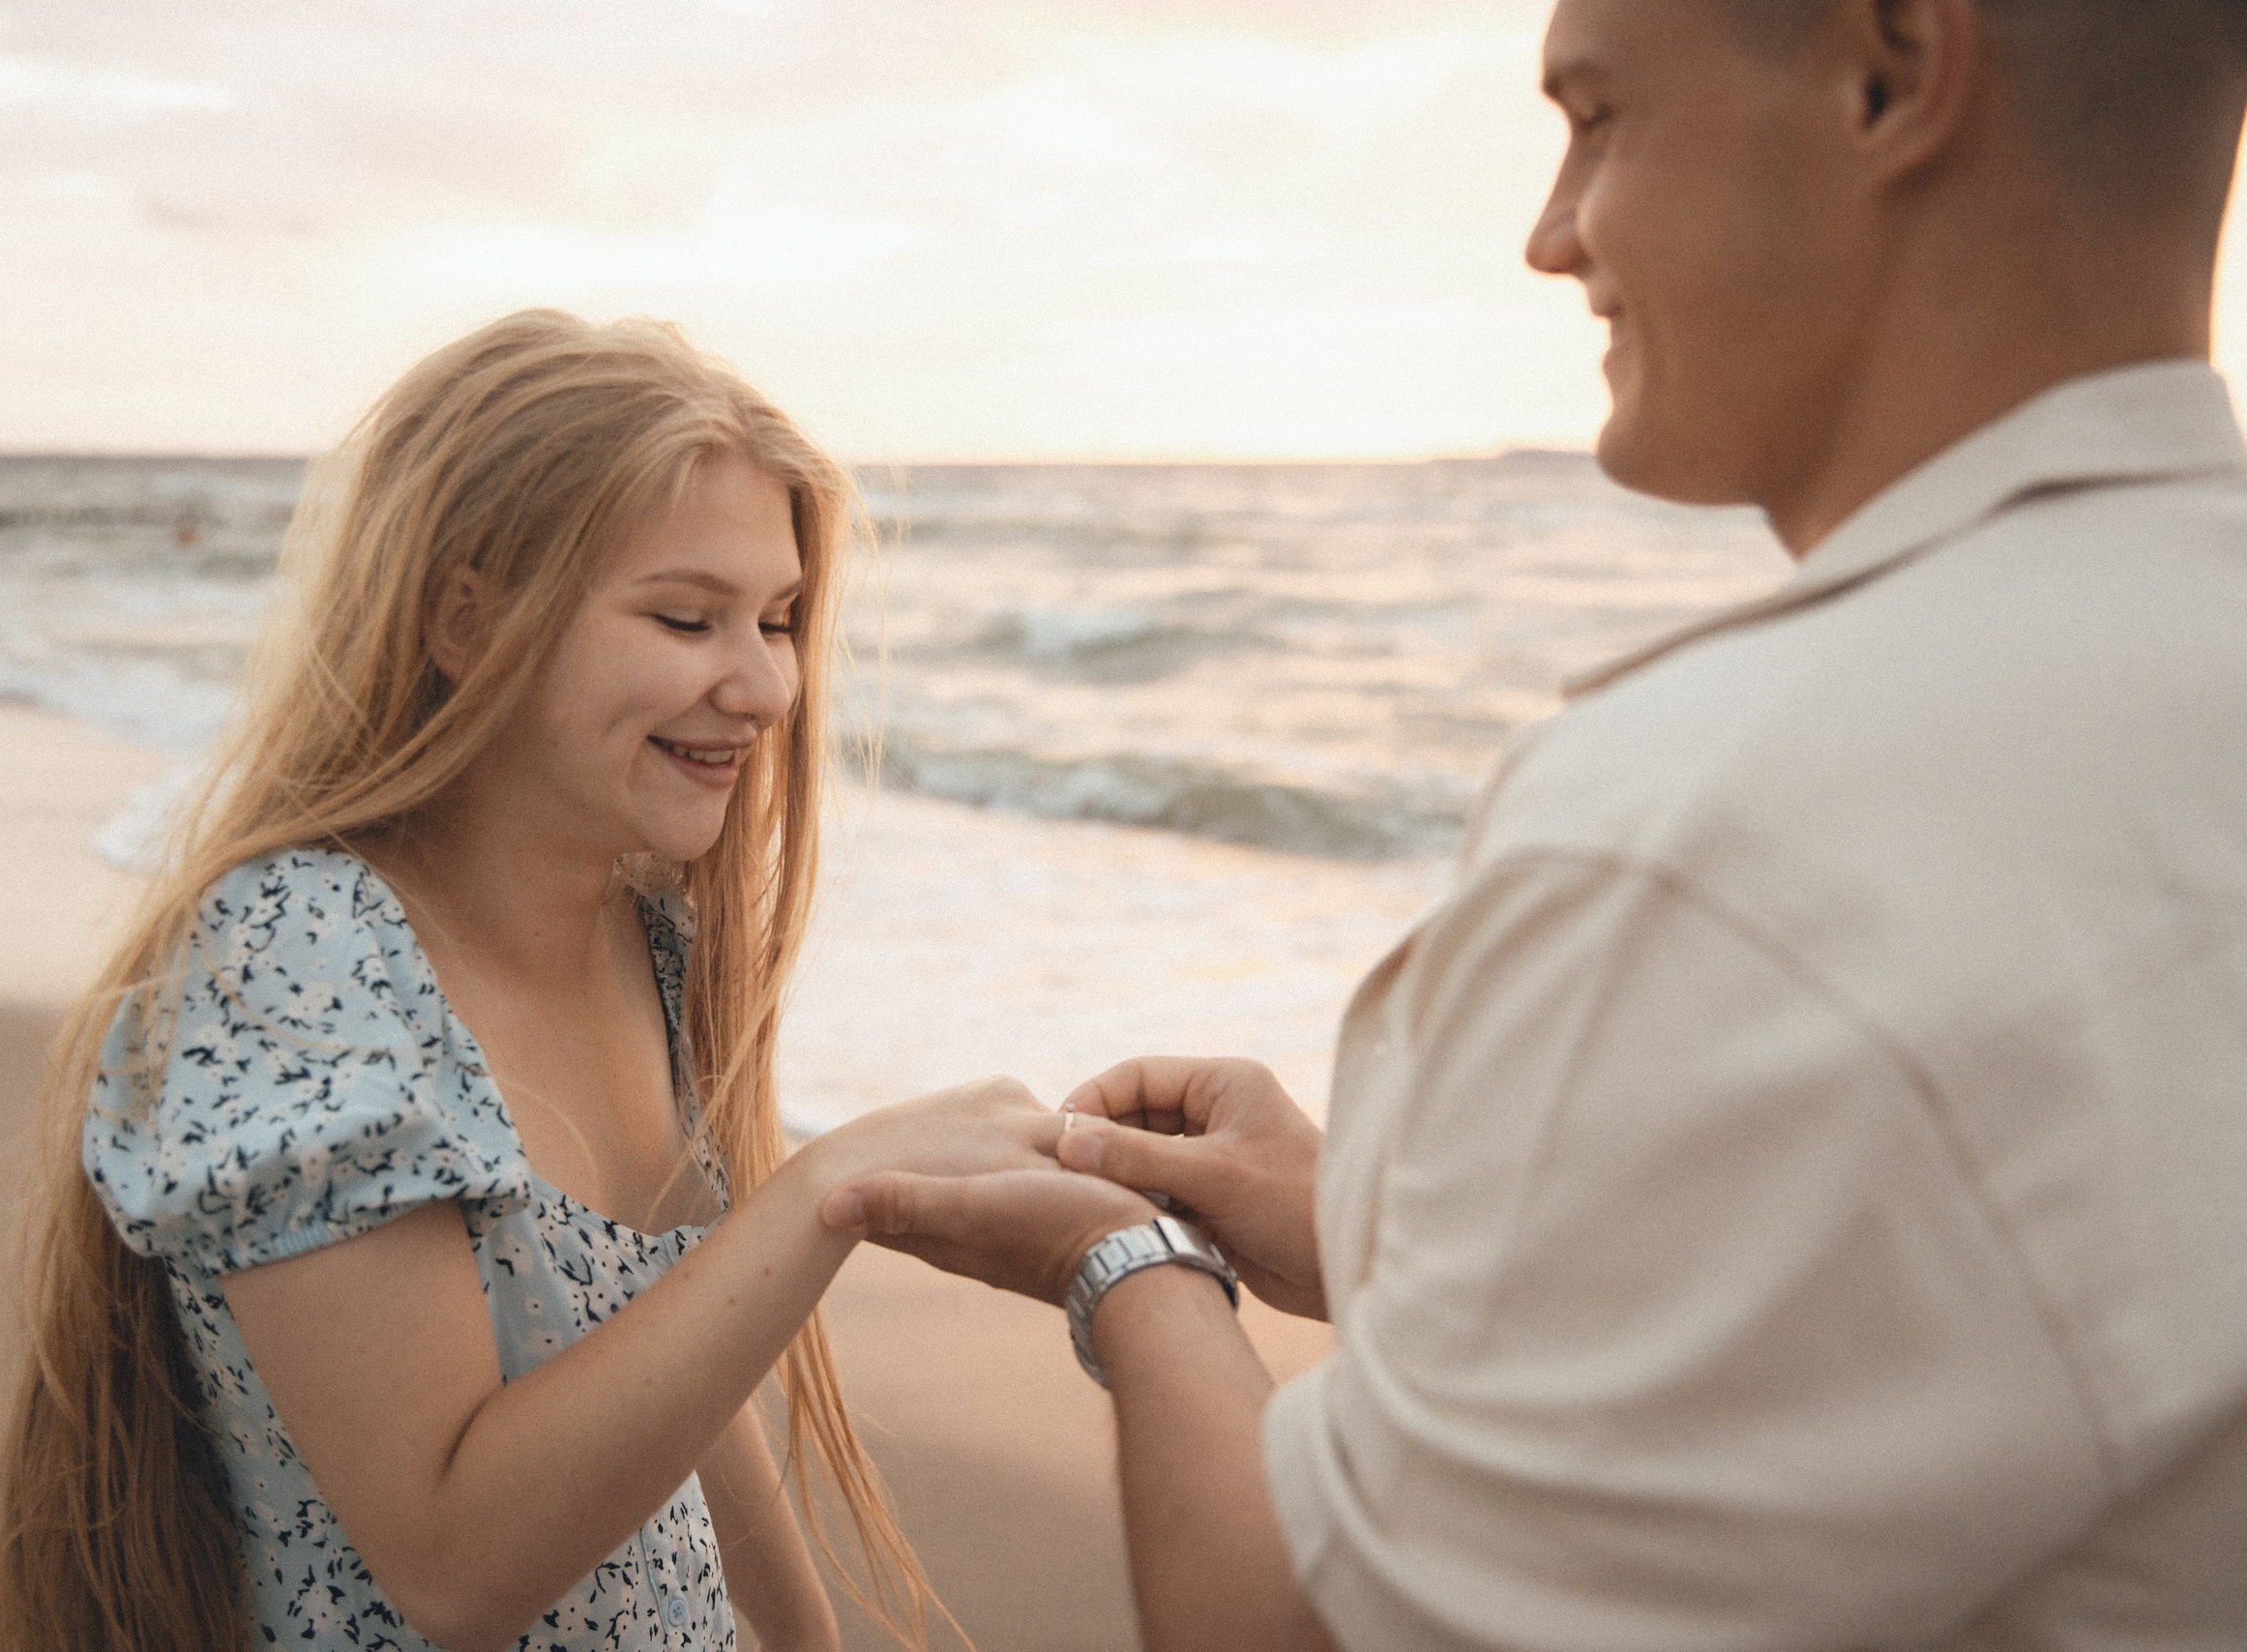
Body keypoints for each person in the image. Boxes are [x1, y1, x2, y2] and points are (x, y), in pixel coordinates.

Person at [822, 1, 2247, 1648]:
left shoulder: (1706, 846)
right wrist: (1377, 1223)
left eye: (1599, 116)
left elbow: (1302, 1627)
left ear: (1892, 74)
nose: (1547, 233)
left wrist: (1131, 1272)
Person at [0, 310, 1059, 1652]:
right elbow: (452, 1559)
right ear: (468, 623)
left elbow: (671, 1372)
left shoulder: (643, 929)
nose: (767, 682)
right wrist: (822, 1200)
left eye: (777, 619)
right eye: (685, 616)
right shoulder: (299, 960)